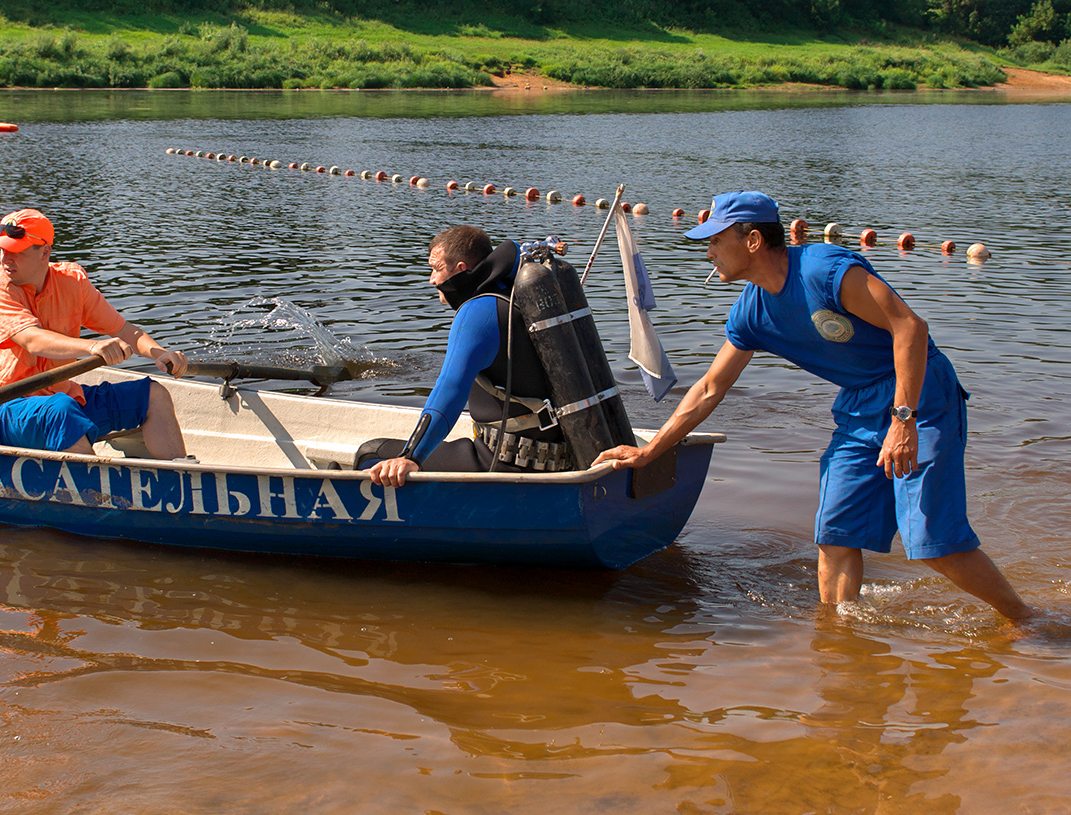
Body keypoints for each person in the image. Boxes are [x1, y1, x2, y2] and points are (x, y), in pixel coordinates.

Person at [594, 190, 1036, 622]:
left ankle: (1027, 621)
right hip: (859, 406)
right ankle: (842, 643)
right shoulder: (750, 313)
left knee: (934, 543)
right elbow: (710, 387)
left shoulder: (825, 270)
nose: (708, 252)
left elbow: (910, 329)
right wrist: (652, 450)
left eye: (715, 240)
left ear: (752, 241)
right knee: (836, 534)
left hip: (920, 393)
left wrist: (904, 421)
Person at [0, 208, 191, 458]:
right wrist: (92, 347)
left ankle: (186, 483)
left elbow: (125, 330)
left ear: (45, 252)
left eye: (16, 251)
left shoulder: (72, 282)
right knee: (60, 411)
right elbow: (32, 340)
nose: (5, 259)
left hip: (60, 397)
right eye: (2, 250)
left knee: (153, 395)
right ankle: (98, 494)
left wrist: (160, 353)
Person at [366, 225, 568, 487]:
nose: (431, 279)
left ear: (460, 268)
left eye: (437, 269)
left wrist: (411, 456)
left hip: (503, 464)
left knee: (370, 454)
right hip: (554, 457)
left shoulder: (478, 311)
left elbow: (450, 389)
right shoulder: (514, 296)